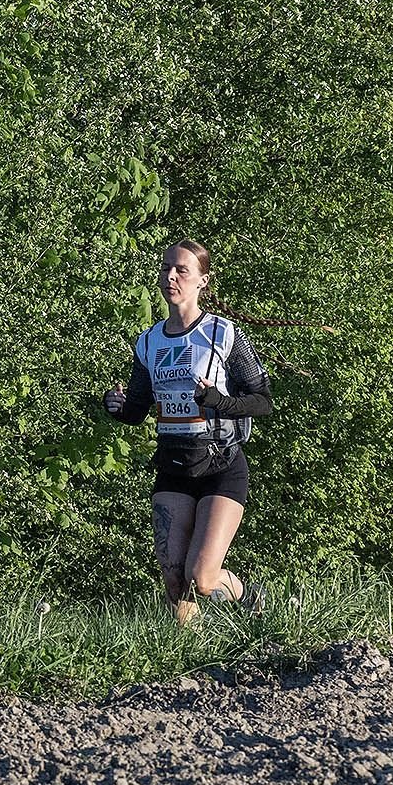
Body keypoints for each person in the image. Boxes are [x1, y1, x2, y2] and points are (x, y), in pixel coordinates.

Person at [104, 241, 272, 624]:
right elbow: (136, 410)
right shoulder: (148, 341)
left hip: (221, 464)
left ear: (202, 281)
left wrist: (217, 400)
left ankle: (249, 597)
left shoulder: (222, 334)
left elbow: (263, 401)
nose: (171, 276)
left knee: (201, 578)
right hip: (173, 465)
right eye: (166, 268)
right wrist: (115, 406)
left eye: (181, 270)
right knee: (175, 580)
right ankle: (187, 651)